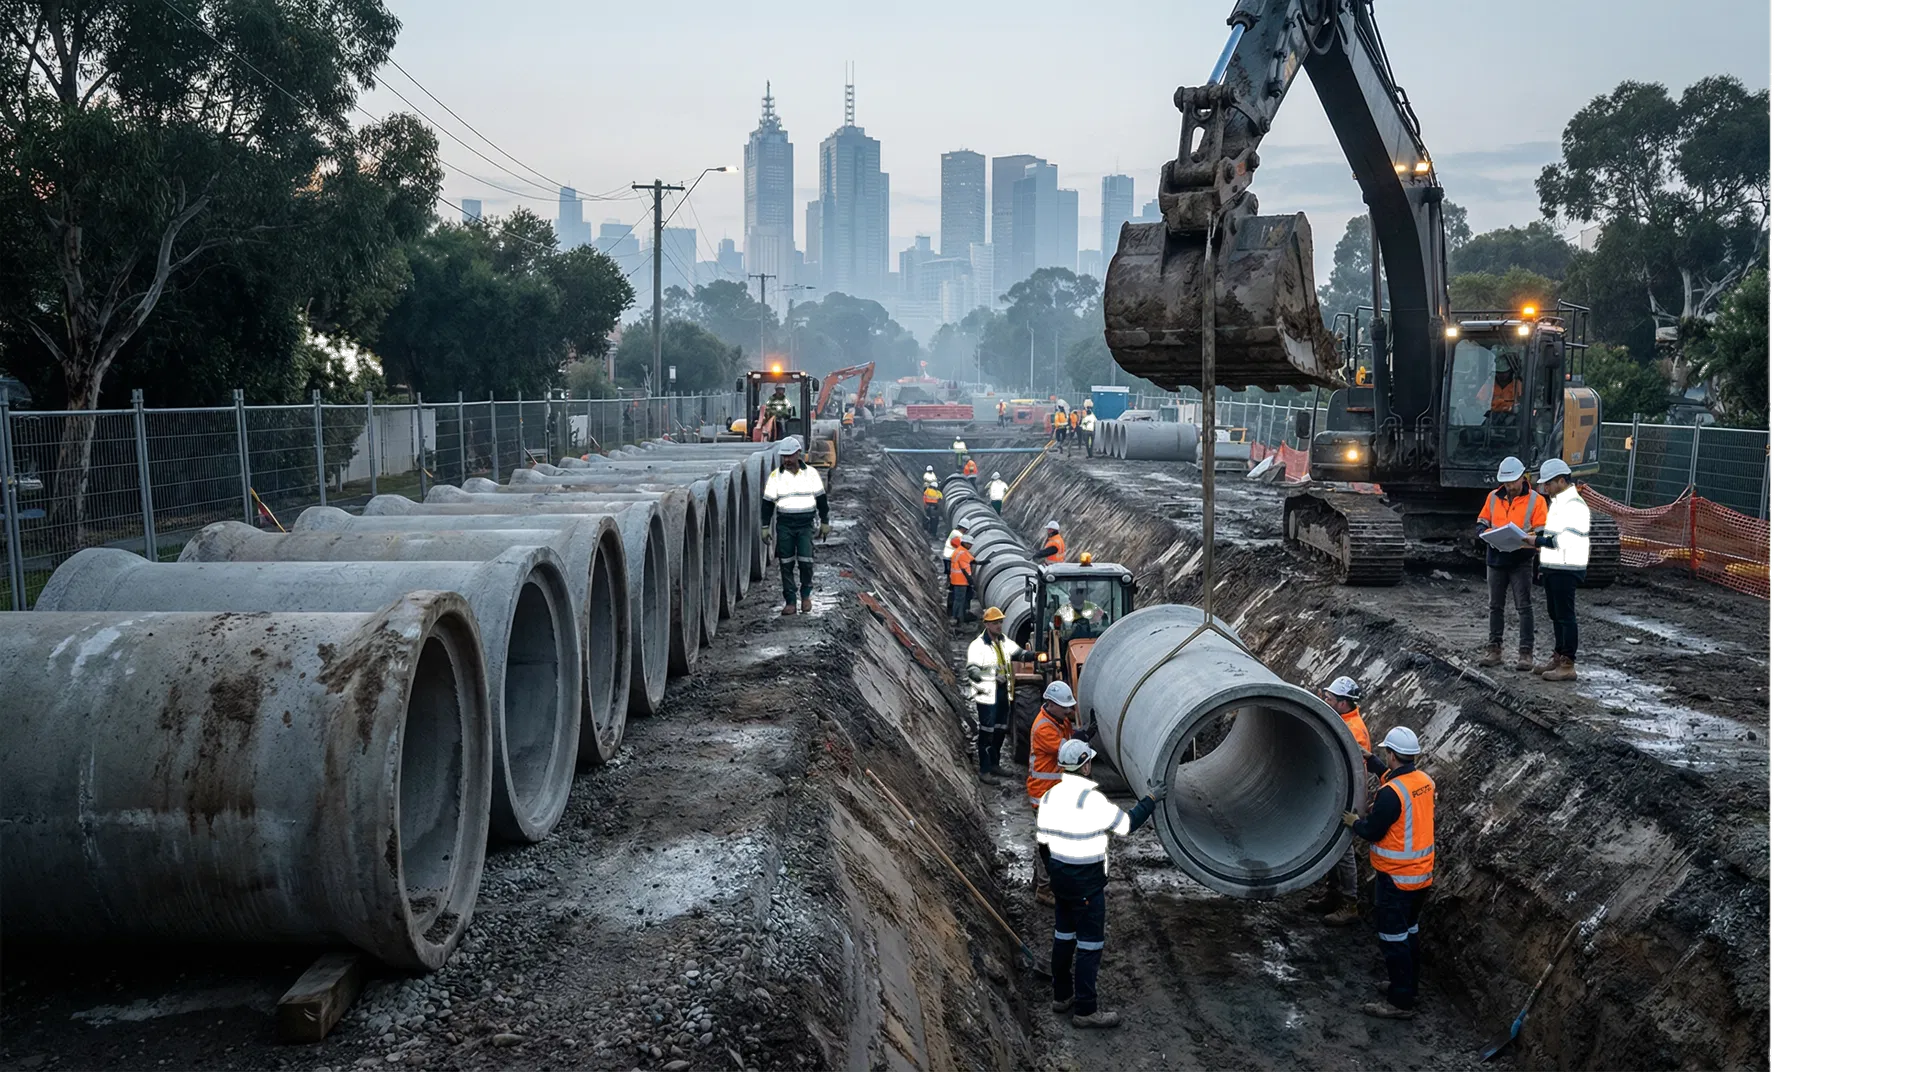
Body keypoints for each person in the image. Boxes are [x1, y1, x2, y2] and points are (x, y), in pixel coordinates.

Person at [1037, 738, 1161, 1029]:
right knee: (1090, 947)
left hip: (1062, 883)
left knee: (1063, 939)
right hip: (1087, 888)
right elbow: (1127, 823)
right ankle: (1085, 1010)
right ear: (1086, 765)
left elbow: (1043, 844)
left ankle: (1061, 997)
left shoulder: (1050, 797)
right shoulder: (1092, 802)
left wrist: (1055, 876)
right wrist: (1151, 800)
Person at [1344, 726, 1434, 1020]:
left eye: (1386, 754)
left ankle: (1400, 1002)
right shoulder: (1423, 781)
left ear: (1393, 754)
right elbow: (1398, 782)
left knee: (1392, 939)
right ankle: (1407, 987)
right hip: (1421, 876)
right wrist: (1373, 761)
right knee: (1409, 934)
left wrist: (1355, 822)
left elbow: (1373, 830)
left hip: (1396, 879)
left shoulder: (1389, 795)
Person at [1313, 675, 1384, 926]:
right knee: (1332, 848)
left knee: (1342, 850)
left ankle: (1349, 903)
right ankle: (1333, 895)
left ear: (1343, 703)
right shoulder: (1342, 720)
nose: (1325, 700)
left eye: (1329, 698)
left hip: (1348, 797)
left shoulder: (1352, 730)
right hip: (1338, 793)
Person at [1476, 456, 1549, 672]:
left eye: (1513, 482)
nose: (1510, 487)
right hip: (1496, 558)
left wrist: (1527, 539)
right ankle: (1494, 649)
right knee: (1495, 606)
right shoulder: (1492, 498)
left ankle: (1525, 653)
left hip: (1521, 559)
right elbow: (1481, 523)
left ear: (1522, 477)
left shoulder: (1536, 501)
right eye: (1506, 483)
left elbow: (1543, 530)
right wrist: (1486, 534)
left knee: (1524, 607)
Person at [1026, 680, 1092, 901]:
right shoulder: (1043, 727)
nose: (1069, 711)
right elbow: (1066, 750)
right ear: (1051, 704)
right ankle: (1044, 890)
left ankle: (1040, 881)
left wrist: (1080, 733)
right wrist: (1084, 737)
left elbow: (1069, 737)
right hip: (1043, 794)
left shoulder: (1058, 720)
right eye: (1065, 707)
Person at [1525, 457, 1587, 682]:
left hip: (1566, 568)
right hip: (1554, 567)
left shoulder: (1573, 504)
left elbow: (1564, 541)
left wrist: (1535, 542)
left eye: (1548, 484)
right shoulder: (1560, 503)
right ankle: (1559, 655)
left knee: (1565, 616)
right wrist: (1538, 538)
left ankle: (1567, 663)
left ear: (1561, 481)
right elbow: (1553, 536)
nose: (1545, 488)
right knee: (1556, 614)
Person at [969, 607, 1039, 784]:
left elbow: (1018, 653)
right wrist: (992, 677)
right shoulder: (978, 645)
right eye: (995, 623)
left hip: (1003, 692)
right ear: (986, 624)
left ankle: (995, 764)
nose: (999, 625)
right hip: (987, 694)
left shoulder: (1002, 641)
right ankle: (985, 770)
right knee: (987, 731)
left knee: (1000, 729)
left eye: (1000, 622)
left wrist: (1035, 656)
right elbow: (972, 670)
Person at [761, 436, 828, 615]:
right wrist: (765, 526)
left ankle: (805, 596)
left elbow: (821, 499)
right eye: (784, 456)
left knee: (806, 562)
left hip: (805, 525)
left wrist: (825, 521)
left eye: (790, 456)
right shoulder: (776, 477)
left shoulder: (811, 475)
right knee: (786, 563)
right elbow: (767, 503)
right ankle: (790, 601)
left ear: (798, 454)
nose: (787, 460)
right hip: (785, 525)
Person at [948, 534, 977, 624]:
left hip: (958, 580)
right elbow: (964, 569)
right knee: (959, 600)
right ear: (965, 543)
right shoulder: (962, 553)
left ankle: (959, 616)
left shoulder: (960, 550)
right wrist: (970, 579)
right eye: (970, 544)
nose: (971, 546)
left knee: (961, 599)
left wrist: (982, 562)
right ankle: (957, 619)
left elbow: (972, 560)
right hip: (960, 581)